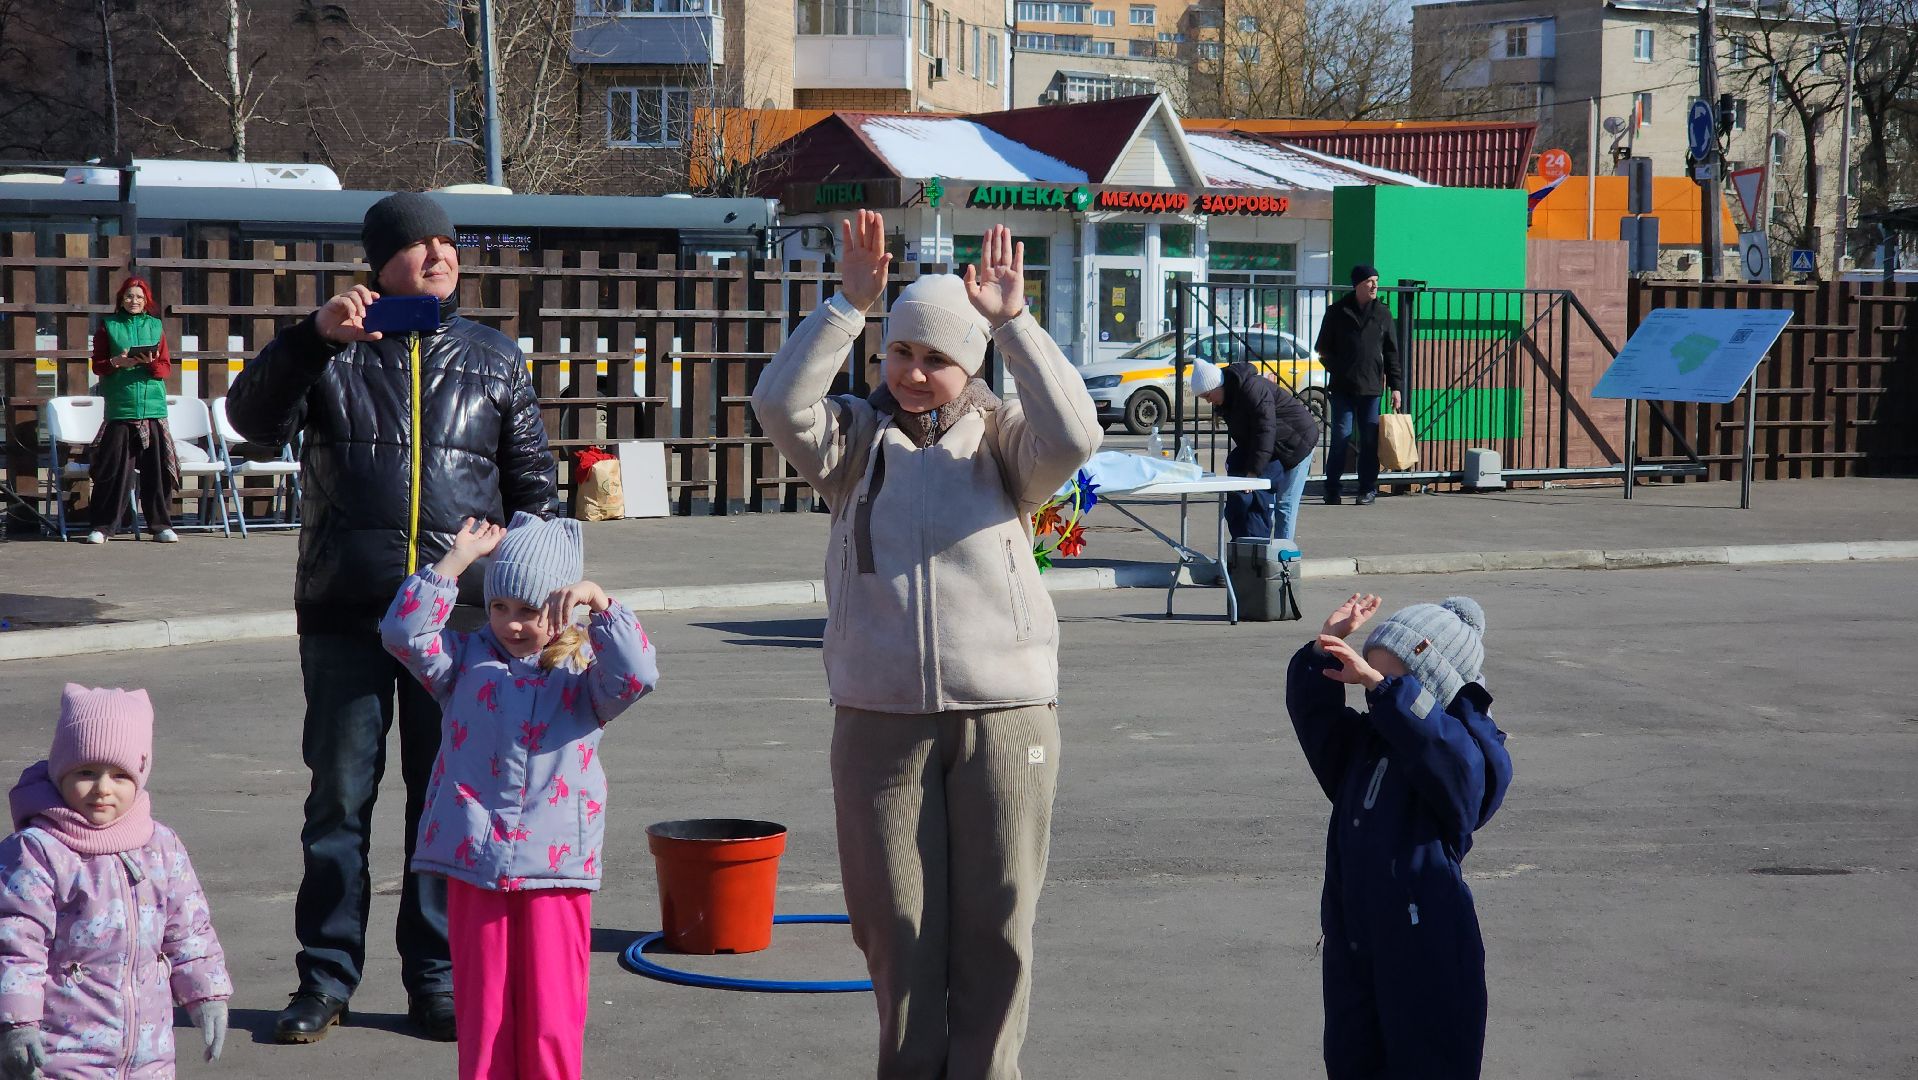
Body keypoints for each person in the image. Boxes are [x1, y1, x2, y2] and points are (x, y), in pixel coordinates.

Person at [751, 212, 1101, 1079]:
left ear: (968, 364)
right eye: (900, 352)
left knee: (998, 927)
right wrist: (848, 305)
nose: (912, 372)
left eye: (935, 358)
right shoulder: (851, 443)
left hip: (1007, 717)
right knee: (893, 930)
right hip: (878, 718)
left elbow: (1077, 437)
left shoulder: (1010, 444)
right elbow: (777, 403)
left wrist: (1013, 324)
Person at [226, 192, 557, 1045]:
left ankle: (437, 979)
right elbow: (251, 423)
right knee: (337, 805)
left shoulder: (493, 358)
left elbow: (536, 496)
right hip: (346, 614)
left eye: (449, 242)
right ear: (380, 262)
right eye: (419, 245)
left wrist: (546, 599)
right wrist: (311, 339)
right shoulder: (334, 348)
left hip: (457, 628)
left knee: (443, 805)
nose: (440, 256)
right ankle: (324, 980)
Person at [380, 513, 657, 1080]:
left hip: (555, 873)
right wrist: (456, 562)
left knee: (551, 1018)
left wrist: (600, 603)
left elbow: (638, 673)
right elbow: (403, 634)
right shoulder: (462, 662)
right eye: (500, 607)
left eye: (529, 611)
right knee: (482, 1016)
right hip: (475, 865)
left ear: (561, 610)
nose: (510, 624)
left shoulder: (583, 674)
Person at [1285, 594, 1513, 1080]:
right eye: (1369, 677)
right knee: (1352, 1059)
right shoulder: (1363, 749)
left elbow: (1449, 761)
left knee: (1428, 1061)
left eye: (1389, 683)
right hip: (1355, 939)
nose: (1374, 692)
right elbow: (1315, 716)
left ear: (1431, 690)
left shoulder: (1468, 754)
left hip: (1427, 946)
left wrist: (1383, 691)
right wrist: (1326, 645)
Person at [0, 684, 232, 1079]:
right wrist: (17, 1026)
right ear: (60, 771)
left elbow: (189, 931)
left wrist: (206, 994)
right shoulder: (39, 850)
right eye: (86, 772)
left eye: (119, 775)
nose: (102, 788)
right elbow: (16, 943)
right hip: (62, 1052)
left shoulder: (160, 846)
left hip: (148, 1052)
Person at [85, 276, 180, 545]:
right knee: (112, 471)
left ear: (146, 300)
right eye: (129, 296)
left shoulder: (155, 325)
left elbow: (165, 368)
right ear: (121, 299)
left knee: (157, 470)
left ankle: (160, 525)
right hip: (121, 407)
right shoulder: (109, 326)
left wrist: (148, 364)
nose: (134, 301)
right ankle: (103, 527)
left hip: (152, 407)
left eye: (139, 297)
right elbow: (98, 366)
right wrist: (117, 362)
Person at [1188, 358, 1320, 541]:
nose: (1209, 402)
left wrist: (1253, 474)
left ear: (1218, 386)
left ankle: (1282, 561)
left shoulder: (1252, 389)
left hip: (1299, 441)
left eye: (1208, 396)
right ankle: (1262, 554)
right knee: (1266, 504)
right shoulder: (1230, 398)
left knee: (1285, 505)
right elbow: (1249, 438)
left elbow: (1264, 431)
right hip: (1275, 446)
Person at [1313, 265, 1403, 506]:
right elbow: (1321, 348)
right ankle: (1332, 488)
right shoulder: (1337, 312)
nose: (1374, 286)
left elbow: (1392, 353)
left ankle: (1367, 489)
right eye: (1369, 281)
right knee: (1341, 436)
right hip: (1342, 387)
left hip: (1371, 388)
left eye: (1376, 281)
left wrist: (1396, 387)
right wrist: (1340, 368)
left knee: (1370, 439)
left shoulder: (1382, 313)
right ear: (1357, 285)